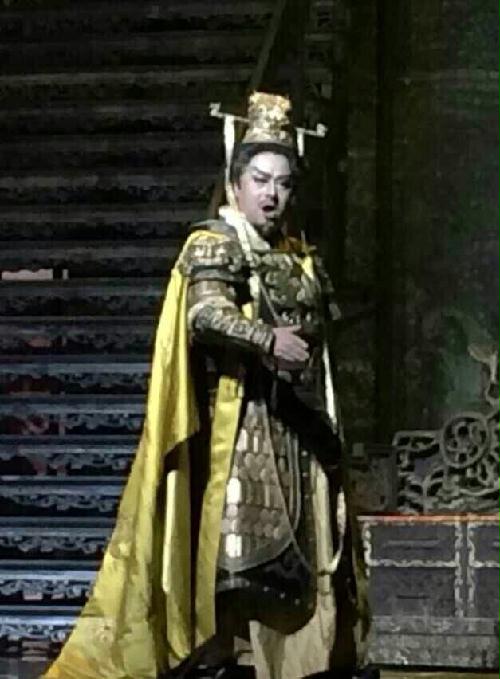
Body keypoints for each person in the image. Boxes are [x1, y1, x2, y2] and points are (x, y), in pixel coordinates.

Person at [42, 92, 368, 679]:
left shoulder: (297, 253)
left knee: (309, 549)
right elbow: (205, 313)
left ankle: (298, 663)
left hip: (298, 421)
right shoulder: (216, 241)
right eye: (260, 180)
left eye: (283, 183)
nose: (272, 195)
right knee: (236, 551)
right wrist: (267, 339)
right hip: (240, 424)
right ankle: (223, 653)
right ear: (236, 183)